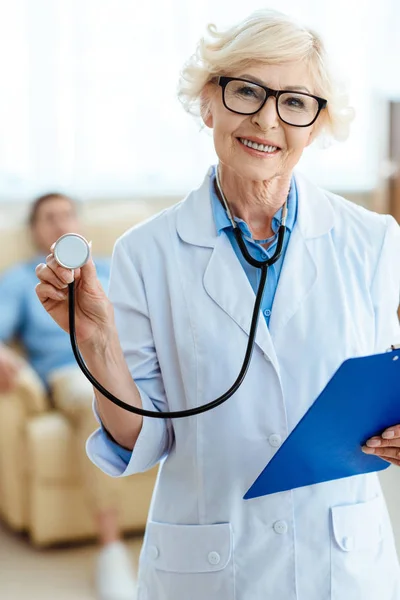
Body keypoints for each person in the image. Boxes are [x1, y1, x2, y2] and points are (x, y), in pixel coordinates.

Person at [35, 9, 400, 600]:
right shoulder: (145, 252)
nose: (266, 119)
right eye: (246, 90)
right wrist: (96, 343)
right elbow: (140, 437)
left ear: (318, 123)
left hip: (344, 562)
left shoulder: (375, 240)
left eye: (296, 102)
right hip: (210, 565)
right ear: (209, 101)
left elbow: (384, 382)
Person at [0, 192, 137, 600]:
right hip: (71, 372)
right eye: (48, 217)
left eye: (66, 214)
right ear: (36, 231)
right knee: (92, 393)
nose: (59, 223)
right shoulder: (22, 280)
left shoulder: (116, 269)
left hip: (134, 369)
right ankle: (111, 547)